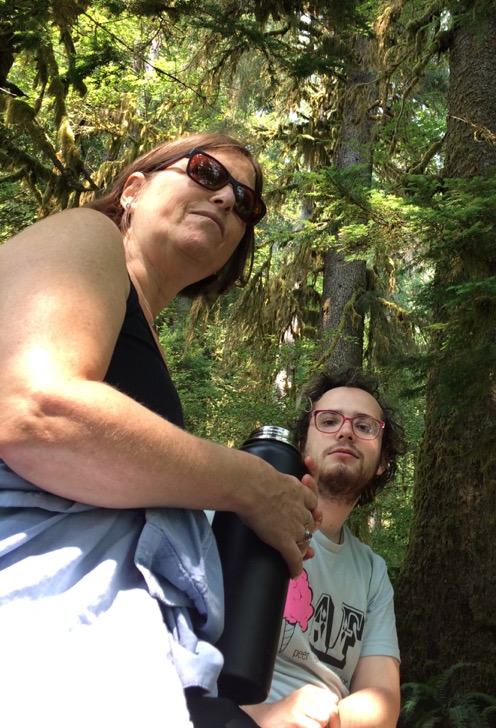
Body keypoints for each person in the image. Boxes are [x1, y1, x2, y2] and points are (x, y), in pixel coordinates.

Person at [0, 134, 321, 728]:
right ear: (134, 189)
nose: (228, 199)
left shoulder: (137, 337)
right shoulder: (84, 233)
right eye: (205, 173)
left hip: (123, 654)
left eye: (247, 203)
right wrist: (250, 484)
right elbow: (35, 411)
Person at [240, 369, 407, 728]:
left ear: (382, 463)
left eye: (364, 427)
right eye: (329, 421)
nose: (346, 431)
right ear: (303, 445)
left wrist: (318, 721)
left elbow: (384, 699)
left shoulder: (372, 572)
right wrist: (263, 717)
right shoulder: (242, 514)